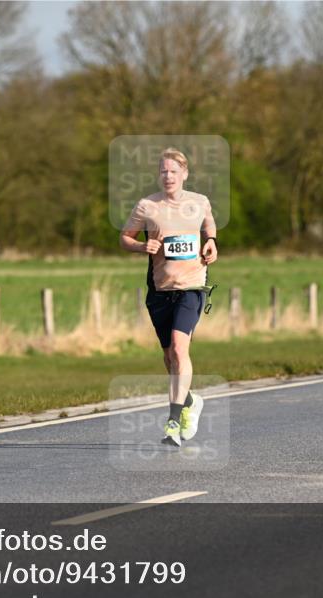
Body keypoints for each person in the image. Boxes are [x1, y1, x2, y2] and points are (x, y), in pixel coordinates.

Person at [120, 148, 218, 447]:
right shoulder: (147, 206)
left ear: (184, 174)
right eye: (163, 171)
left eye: (174, 171)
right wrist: (141, 247)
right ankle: (189, 401)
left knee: (178, 349)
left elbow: (208, 225)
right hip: (160, 289)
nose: (168, 176)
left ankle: (173, 421)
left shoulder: (199, 202)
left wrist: (211, 242)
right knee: (169, 358)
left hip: (192, 286)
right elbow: (125, 237)